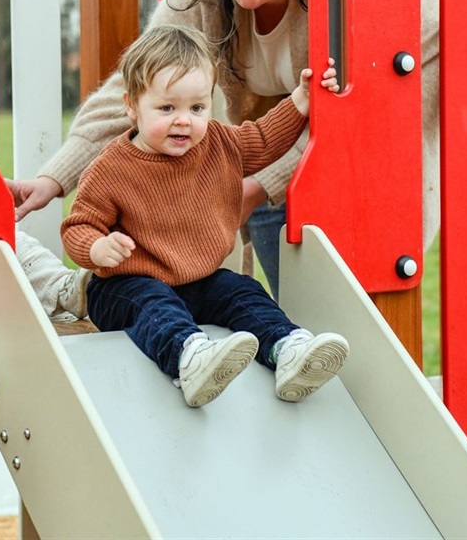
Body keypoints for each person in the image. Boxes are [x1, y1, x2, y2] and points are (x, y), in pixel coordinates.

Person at [10, 0, 442, 301]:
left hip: (375, 123)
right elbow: (140, 80)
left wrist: (255, 188)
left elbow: (357, 110)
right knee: (273, 271)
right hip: (277, 135)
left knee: (326, 272)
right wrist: (54, 177)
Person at [61, 24, 348, 407]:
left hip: (196, 280)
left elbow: (262, 140)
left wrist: (300, 100)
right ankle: (188, 359)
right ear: (131, 106)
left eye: (197, 108)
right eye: (167, 108)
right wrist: (97, 247)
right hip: (124, 287)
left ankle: (286, 349)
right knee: (153, 302)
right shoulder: (112, 168)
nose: (184, 120)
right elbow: (79, 224)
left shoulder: (218, 143)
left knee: (241, 290)